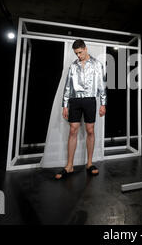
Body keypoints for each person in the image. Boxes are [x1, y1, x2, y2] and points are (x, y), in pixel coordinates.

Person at [55, 39, 107, 179]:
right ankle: (69, 165)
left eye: (79, 52)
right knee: (73, 130)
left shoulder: (97, 64)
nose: (78, 55)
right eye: (76, 53)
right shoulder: (73, 66)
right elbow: (67, 86)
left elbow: (102, 85)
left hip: (90, 100)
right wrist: (65, 105)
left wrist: (103, 103)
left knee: (90, 130)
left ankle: (89, 163)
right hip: (75, 100)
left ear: (85, 48)